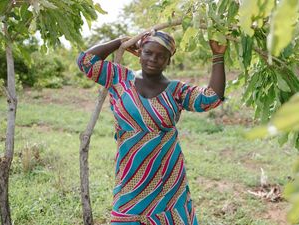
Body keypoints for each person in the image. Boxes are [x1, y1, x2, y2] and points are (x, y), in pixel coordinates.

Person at [77, 30, 226, 225]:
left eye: (161, 55)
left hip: (167, 175)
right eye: (148, 52)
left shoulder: (177, 90)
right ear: (139, 53)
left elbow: (211, 98)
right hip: (131, 173)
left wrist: (218, 56)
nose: (153, 59)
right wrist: (121, 42)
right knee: (125, 216)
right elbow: (85, 61)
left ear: (168, 61)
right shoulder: (119, 78)